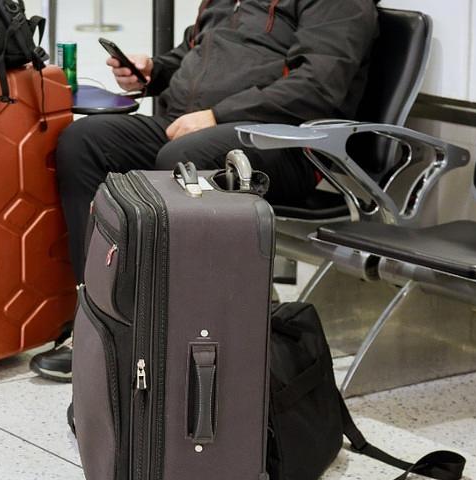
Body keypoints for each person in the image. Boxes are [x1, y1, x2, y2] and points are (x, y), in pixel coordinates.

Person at [29, 0, 380, 382]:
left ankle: (168, 335)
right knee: (84, 142)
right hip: (193, 128)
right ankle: (100, 322)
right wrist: (155, 71)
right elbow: (196, 53)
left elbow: (318, 85)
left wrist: (218, 116)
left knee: (183, 159)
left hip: (283, 142)